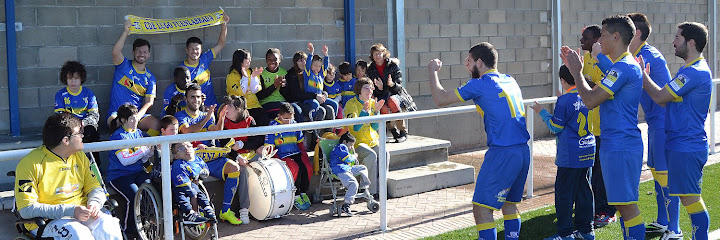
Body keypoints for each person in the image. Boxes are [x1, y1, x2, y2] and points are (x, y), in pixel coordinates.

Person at [427, 42, 530, 240]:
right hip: (522, 151)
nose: (466, 64)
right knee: (509, 203)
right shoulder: (510, 80)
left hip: (502, 152)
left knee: (482, 208)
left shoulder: (479, 84)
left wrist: (432, 71)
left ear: (480, 62)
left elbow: (440, 99)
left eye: (469, 60)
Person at [592, 13, 680, 236]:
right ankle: (663, 221)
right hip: (648, 125)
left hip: (659, 124)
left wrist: (586, 65)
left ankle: (675, 228)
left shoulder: (643, 57)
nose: (600, 40)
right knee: (653, 178)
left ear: (634, 34)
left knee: (662, 178)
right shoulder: (631, 59)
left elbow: (620, 78)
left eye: (603, 35)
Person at [560, 15, 646, 240]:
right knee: (623, 205)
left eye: (604, 35)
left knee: (627, 207)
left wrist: (576, 72)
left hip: (621, 145)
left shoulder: (623, 68)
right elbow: (611, 73)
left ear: (616, 37)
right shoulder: (622, 66)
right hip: (616, 144)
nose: (600, 40)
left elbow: (590, 100)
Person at [639, 21, 712, 240]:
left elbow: (660, 97)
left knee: (691, 199)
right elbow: (665, 99)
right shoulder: (688, 70)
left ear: (690, 42)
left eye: (677, 38)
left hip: (687, 145)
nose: (673, 42)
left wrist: (643, 76)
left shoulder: (694, 72)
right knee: (687, 197)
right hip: (680, 143)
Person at [14, 113, 123, 240]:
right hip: (48, 221)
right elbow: (26, 209)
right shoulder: (30, 164)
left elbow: (95, 188)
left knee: (109, 226)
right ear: (65, 140)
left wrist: (94, 203)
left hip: (82, 213)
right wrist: (71, 210)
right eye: (79, 133)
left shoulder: (80, 156)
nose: (83, 135)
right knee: (79, 234)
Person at [530, 65, 596, 240]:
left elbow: (555, 127)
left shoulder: (565, 101)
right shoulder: (588, 94)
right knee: (584, 191)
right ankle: (586, 231)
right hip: (587, 150)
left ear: (563, 81)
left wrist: (541, 111)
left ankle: (565, 234)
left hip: (570, 156)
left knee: (564, 195)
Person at [174, 84, 248, 225]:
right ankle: (198, 215)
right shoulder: (180, 115)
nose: (196, 100)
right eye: (192, 97)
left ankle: (225, 211)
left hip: (210, 158)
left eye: (198, 97)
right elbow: (188, 132)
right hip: (192, 161)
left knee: (234, 168)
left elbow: (216, 132)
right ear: (186, 99)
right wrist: (207, 117)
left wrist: (220, 118)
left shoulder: (206, 115)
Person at [579, 24, 617, 228]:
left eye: (585, 38)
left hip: (605, 128)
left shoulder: (608, 60)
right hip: (589, 128)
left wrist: (585, 83)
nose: (581, 41)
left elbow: (602, 87)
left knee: (603, 173)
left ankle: (607, 211)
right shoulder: (585, 58)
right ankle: (594, 207)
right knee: (591, 172)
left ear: (596, 41)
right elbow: (584, 85)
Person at [106, 104, 154, 238]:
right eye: (131, 119)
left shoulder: (137, 132)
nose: (135, 121)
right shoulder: (118, 136)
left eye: (135, 118)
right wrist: (144, 150)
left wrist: (148, 152)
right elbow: (125, 160)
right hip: (119, 175)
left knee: (150, 186)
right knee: (133, 196)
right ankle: (129, 231)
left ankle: (146, 222)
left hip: (137, 172)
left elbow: (141, 157)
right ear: (122, 120)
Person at [108, 20, 160, 136]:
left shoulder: (150, 78)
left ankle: (145, 149)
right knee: (116, 124)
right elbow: (115, 52)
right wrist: (126, 32)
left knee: (156, 125)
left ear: (149, 54)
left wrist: (137, 116)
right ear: (133, 52)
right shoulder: (123, 65)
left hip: (136, 115)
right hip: (116, 114)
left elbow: (149, 102)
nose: (142, 54)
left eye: (145, 52)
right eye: (139, 51)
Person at [222, 95, 265, 224]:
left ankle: (264, 202)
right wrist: (238, 156)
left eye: (229, 106)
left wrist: (243, 145)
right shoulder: (224, 122)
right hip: (233, 157)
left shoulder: (250, 120)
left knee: (264, 159)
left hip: (249, 153)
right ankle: (244, 208)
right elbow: (223, 145)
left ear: (238, 109)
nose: (226, 108)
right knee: (243, 171)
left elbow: (256, 141)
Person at [263, 102, 313, 210]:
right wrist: (278, 160)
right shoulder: (272, 127)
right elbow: (269, 148)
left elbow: (300, 143)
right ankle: (295, 194)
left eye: (291, 118)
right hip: (282, 156)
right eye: (286, 119)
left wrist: (303, 154)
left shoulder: (294, 124)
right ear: (279, 116)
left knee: (307, 168)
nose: (289, 122)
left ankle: (303, 192)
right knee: (295, 168)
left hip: (296, 153)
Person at [343, 77, 386, 196]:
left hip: (371, 141)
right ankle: (370, 192)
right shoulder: (351, 104)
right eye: (366, 88)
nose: (370, 90)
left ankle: (382, 188)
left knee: (384, 153)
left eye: (371, 88)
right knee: (371, 155)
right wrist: (364, 112)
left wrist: (377, 112)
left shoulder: (373, 103)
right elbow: (356, 128)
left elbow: (374, 127)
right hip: (356, 144)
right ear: (359, 90)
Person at [367, 43, 416, 143]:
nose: (377, 56)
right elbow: (372, 88)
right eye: (375, 54)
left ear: (384, 53)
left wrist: (391, 84)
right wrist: (380, 89)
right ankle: (393, 132)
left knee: (391, 100)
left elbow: (399, 87)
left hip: (396, 94)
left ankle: (402, 131)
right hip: (381, 95)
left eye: (379, 53)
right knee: (382, 106)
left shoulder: (392, 66)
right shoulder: (371, 69)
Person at [54, 61, 101, 163]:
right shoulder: (60, 95)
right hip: (69, 127)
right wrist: (73, 126)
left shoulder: (88, 94)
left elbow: (94, 115)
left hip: (85, 126)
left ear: (81, 79)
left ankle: (95, 165)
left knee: (92, 133)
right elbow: (60, 116)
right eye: (70, 78)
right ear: (65, 79)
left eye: (76, 78)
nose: (73, 82)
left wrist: (82, 124)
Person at [178, 15, 229, 107]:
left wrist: (224, 24)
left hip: (212, 106)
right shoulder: (182, 69)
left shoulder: (205, 58)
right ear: (186, 50)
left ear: (201, 50)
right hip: (196, 110)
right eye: (191, 49)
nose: (194, 52)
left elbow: (221, 44)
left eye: (197, 49)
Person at [171, 141, 214, 225]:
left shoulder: (197, 159)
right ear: (175, 156)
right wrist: (193, 194)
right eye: (181, 148)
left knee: (201, 194)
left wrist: (202, 173)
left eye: (189, 146)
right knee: (182, 196)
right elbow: (183, 183)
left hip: (195, 185)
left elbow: (205, 170)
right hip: (181, 187)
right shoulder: (178, 164)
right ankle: (188, 213)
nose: (186, 149)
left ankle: (207, 208)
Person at [329, 132, 371, 216]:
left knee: (363, 168)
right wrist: (354, 156)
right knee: (353, 183)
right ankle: (346, 204)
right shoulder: (341, 147)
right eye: (351, 145)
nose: (351, 148)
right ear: (344, 142)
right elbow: (348, 159)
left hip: (347, 168)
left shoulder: (343, 148)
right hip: (340, 170)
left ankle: (364, 185)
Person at [226, 48, 268, 126]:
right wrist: (245, 78)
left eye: (250, 58)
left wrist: (254, 77)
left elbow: (256, 90)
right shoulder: (231, 76)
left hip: (254, 105)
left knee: (263, 118)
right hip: (239, 107)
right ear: (240, 60)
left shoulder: (252, 71)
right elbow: (241, 92)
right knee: (250, 122)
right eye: (247, 59)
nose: (250, 61)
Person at [303, 42, 339, 122]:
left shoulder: (321, 75)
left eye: (319, 66)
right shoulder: (308, 74)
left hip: (321, 98)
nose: (317, 68)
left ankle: (334, 124)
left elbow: (326, 67)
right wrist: (311, 54)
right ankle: (311, 122)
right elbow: (308, 64)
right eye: (315, 65)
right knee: (315, 104)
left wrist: (326, 55)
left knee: (334, 104)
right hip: (310, 99)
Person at [257, 48, 288, 120]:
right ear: (266, 60)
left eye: (275, 59)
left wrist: (284, 86)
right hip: (267, 103)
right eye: (269, 59)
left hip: (282, 102)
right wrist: (274, 86)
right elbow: (260, 96)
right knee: (282, 112)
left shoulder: (284, 72)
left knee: (297, 110)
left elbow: (288, 95)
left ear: (279, 60)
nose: (272, 62)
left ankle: (303, 130)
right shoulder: (262, 74)